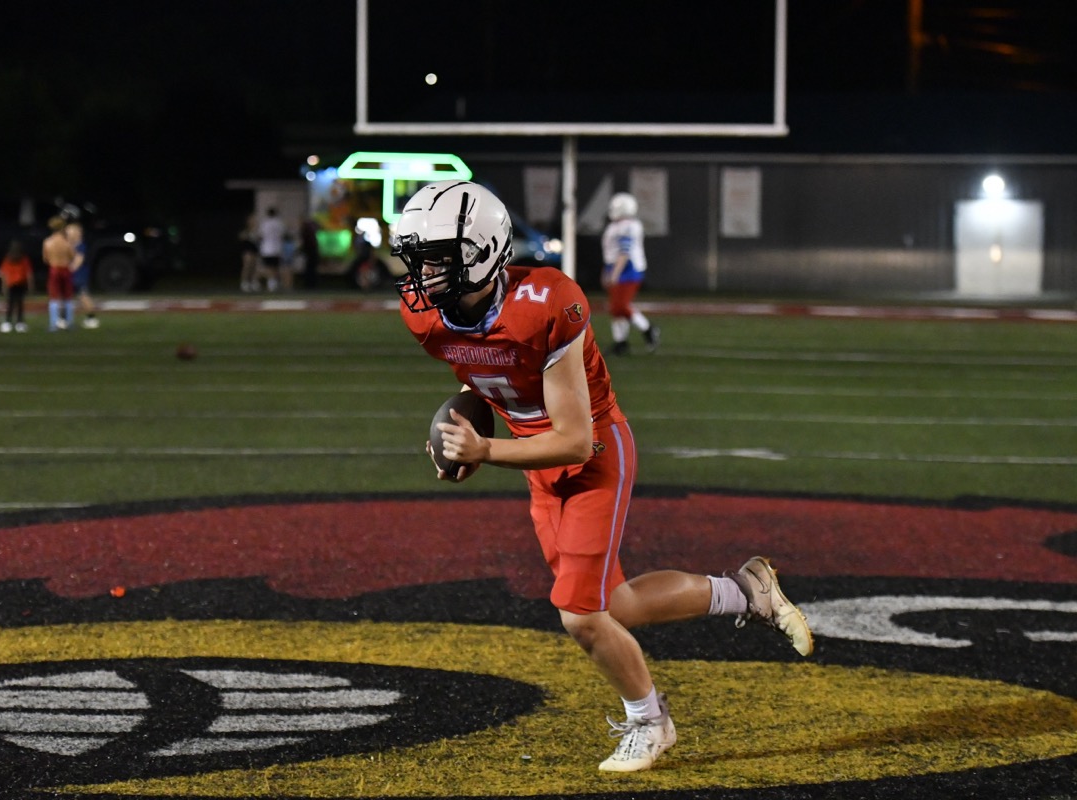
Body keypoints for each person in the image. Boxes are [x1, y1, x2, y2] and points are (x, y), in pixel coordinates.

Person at [391, 181, 813, 773]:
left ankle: (650, 720)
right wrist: (460, 419)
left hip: (593, 454)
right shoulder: (426, 315)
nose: (423, 273)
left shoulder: (547, 301)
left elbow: (573, 437)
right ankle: (746, 592)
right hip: (536, 458)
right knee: (614, 604)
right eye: (419, 257)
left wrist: (483, 448)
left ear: (483, 250)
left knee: (581, 616)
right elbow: (484, 371)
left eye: (438, 257)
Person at [601, 192, 659, 356]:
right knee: (616, 308)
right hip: (617, 267)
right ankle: (621, 342)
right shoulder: (616, 226)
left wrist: (614, 273)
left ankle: (648, 329)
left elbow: (624, 252)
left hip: (627, 269)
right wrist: (607, 270)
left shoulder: (629, 226)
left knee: (620, 306)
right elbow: (610, 253)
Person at [42, 215, 76, 331]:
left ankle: (53, 324)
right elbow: (72, 256)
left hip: (54, 269)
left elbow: (45, 259)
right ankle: (70, 322)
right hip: (65, 269)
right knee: (67, 297)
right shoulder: (66, 243)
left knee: (54, 297)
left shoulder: (47, 242)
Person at [66, 222, 99, 328]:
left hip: (79, 275)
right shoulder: (71, 245)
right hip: (74, 275)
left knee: (83, 296)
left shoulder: (80, 246)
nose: (67, 233)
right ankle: (65, 319)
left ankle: (91, 318)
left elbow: (78, 261)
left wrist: (68, 270)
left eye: (70, 231)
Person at [0, 239, 33, 333]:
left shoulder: (8, 259)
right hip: (20, 283)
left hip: (11, 284)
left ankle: (7, 323)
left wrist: (3, 286)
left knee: (10, 304)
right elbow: (29, 273)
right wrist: (30, 285)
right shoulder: (24, 259)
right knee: (19, 304)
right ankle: (19, 323)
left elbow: (4, 274)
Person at [257, 206, 285, 292]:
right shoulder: (279, 223)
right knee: (275, 266)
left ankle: (271, 283)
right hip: (277, 248)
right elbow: (282, 235)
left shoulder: (265, 223)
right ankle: (275, 282)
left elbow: (260, 235)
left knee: (268, 267)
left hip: (267, 248)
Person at [238, 212, 261, 292]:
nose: (253, 221)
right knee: (247, 265)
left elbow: (259, 238)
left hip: (254, 249)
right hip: (247, 249)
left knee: (254, 267)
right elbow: (241, 237)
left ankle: (253, 282)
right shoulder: (245, 229)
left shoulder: (256, 229)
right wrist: (247, 234)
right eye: (251, 219)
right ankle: (244, 283)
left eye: (254, 219)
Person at [299, 216, 320, 290]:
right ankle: (311, 283)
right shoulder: (309, 230)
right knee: (311, 268)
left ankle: (310, 284)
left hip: (310, 251)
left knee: (310, 268)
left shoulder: (306, 230)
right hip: (311, 251)